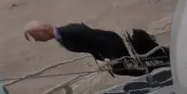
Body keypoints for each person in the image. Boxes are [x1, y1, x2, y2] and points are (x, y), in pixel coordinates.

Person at [24, 20, 170, 76]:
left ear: (43, 32)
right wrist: (99, 60)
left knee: (136, 65)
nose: (37, 40)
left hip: (117, 47)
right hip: (113, 51)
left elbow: (101, 39)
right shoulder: (63, 35)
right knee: (131, 67)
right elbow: (91, 46)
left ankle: (166, 65)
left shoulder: (71, 32)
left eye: (36, 37)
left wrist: (107, 58)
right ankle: (163, 67)